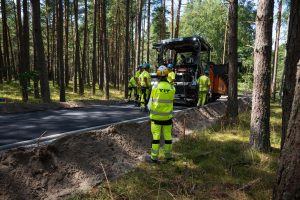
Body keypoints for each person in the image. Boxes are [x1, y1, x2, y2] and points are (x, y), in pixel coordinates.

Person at [145, 65, 176, 163]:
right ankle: (168, 156)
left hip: (156, 118)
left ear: (158, 76)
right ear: (167, 75)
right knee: (168, 137)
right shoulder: (172, 88)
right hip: (167, 118)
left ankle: (154, 158)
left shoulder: (155, 87)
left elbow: (150, 102)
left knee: (156, 137)